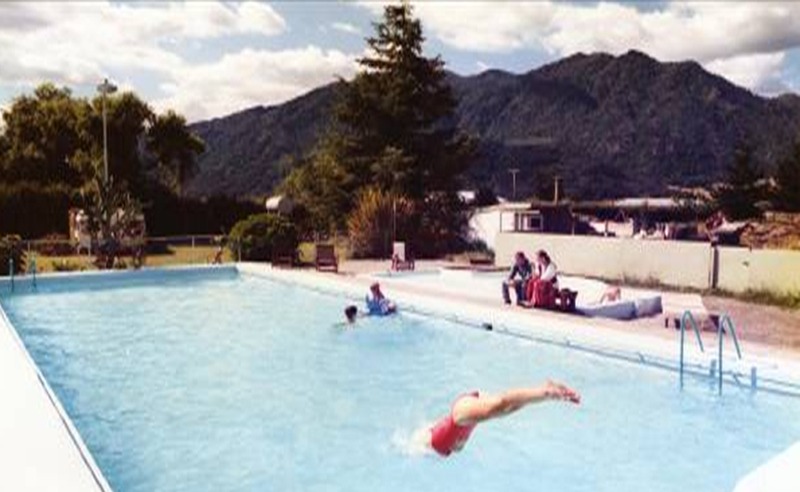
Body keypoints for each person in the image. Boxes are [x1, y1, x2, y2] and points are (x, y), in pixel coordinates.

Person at [415, 380, 581, 457]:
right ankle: (545, 393)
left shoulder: (432, 442)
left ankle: (546, 392)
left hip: (461, 416)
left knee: (502, 405)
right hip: (463, 417)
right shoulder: (436, 440)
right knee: (508, 408)